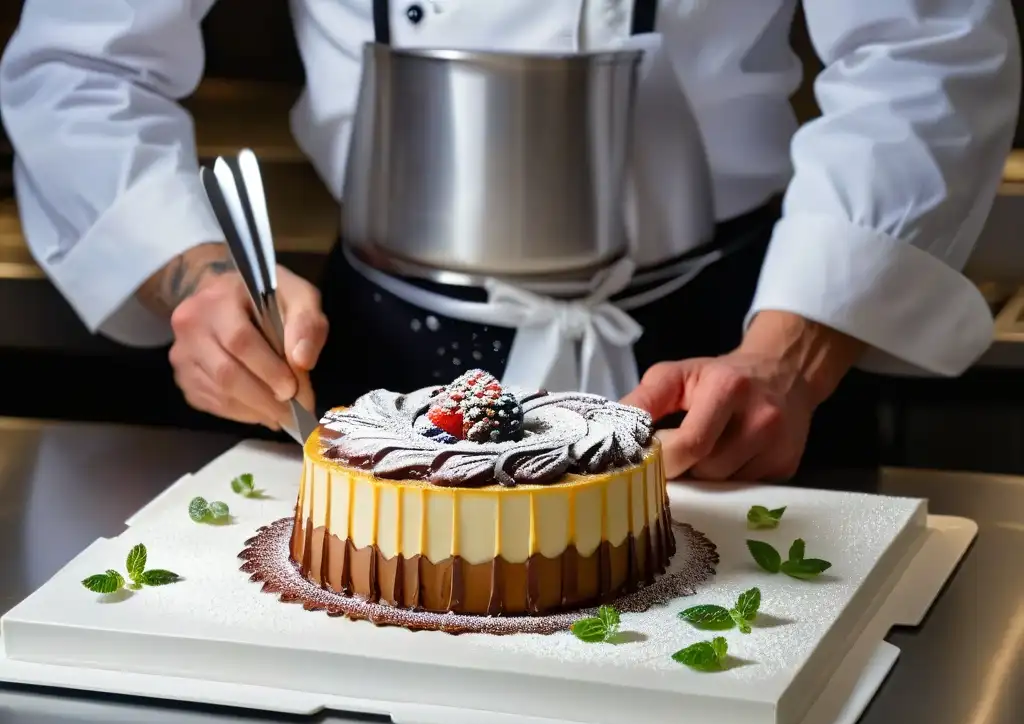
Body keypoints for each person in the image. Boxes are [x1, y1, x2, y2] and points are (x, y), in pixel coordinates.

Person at [1, 1, 1019, 481]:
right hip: (372, 363)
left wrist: (792, 356)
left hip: (726, 366)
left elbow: (923, 43)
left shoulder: (764, 366)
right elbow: (84, 65)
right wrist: (199, 280)